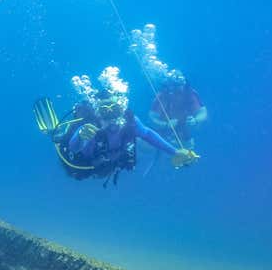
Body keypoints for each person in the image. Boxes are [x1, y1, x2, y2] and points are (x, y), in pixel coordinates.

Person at [34, 67, 197, 186]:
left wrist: (175, 152)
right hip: (86, 165)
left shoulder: (129, 121)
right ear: (98, 112)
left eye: (116, 109)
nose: (111, 116)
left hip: (110, 164)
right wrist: (80, 137)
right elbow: (75, 149)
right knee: (74, 169)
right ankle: (54, 131)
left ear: (122, 108)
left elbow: (148, 134)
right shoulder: (90, 127)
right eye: (105, 111)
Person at [148, 70, 207, 149]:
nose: (179, 89)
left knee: (188, 148)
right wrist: (165, 124)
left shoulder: (189, 93)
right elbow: (152, 117)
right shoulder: (163, 95)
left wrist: (195, 120)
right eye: (176, 86)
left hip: (183, 128)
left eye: (181, 85)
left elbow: (202, 111)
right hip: (163, 128)